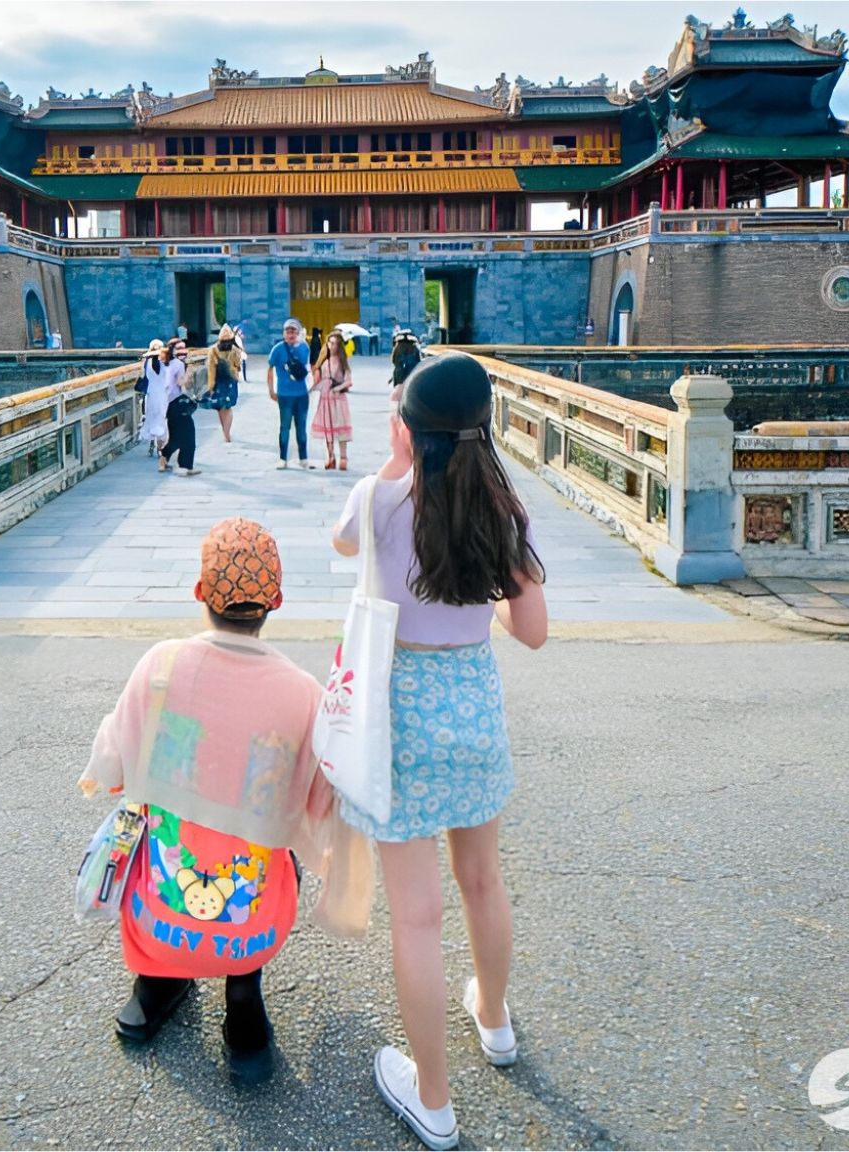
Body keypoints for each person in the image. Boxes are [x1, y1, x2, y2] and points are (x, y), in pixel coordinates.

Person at [331, 354, 548, 1151]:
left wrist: (392, 466)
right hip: (473, 711)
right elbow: (532, 632)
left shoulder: (380, 497)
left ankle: (434, 1100)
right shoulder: (504, 510)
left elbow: (343, 544)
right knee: (483, 882)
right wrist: (477, 621)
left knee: (417, 917)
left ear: (409, 428)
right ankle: (493, 1020)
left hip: (399, 721)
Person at [81, 518, 335, 1078]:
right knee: (270, 847)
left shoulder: (162, 665)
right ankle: (243, 1000)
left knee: (163, 830)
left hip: (162, 903)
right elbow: (322, 803)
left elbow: (114, 758)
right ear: (276, 600)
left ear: (200, 593)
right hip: (253, 922)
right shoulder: (302, 692)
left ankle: (159, 980)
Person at [266, 319, 315, 470]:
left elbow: (310, 366)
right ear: (284, 333)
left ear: (298, 333)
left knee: (301, 427)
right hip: (285, 394)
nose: (291, 334)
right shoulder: (278, 349)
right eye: (288, 331)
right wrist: (271, 390)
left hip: (301, 394)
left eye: (293, 331)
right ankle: (283, 458)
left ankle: (303, 457)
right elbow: (270, 369)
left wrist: (312, 385)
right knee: (285, 426)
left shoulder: (304, 348)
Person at [152, 339, 200, 475]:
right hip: (177, 403)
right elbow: (181, 383)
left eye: (184, 347)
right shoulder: (179, 364)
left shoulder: (164, 363)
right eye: (179, 348)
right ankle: (185, 465)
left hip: (167, 404)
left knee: (175, 436)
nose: (183, 350)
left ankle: (165, 459)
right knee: (189, 435)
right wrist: (190, 371)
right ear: (173, 350)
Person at [312, 330, 354, 470]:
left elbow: (349, 381)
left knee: (341, 430)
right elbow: (318, 381)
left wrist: (337, 388)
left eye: (335, 343)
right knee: (327, 430)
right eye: (330, 342)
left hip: (338, 400)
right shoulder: (324, 361)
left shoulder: (343, 362)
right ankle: (330, 457)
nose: (332, 346)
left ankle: (343, 457)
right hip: (325, 399)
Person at [203, 324, 244, 443]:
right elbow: (238, 366)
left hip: (217, 382)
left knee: (220, 407)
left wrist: (210, 386)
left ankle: (224, 432)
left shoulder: (213, 350)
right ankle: (227, 433)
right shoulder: (235, 350)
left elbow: (210, 369)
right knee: (228, 407)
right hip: (230, 381)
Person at [139, 339, 167, 458]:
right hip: (162, 395)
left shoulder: (146, 363)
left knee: (151, 419)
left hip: (150, 396)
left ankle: (151, 445)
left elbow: (143, 377)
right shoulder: (165, 363)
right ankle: (161, 448)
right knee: (161, 420)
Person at [389, 329, 422, 404]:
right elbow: (419, 361)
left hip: (399, 373)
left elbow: (393, 361)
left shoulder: (398, 348)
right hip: (412, 373)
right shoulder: (414, 348)